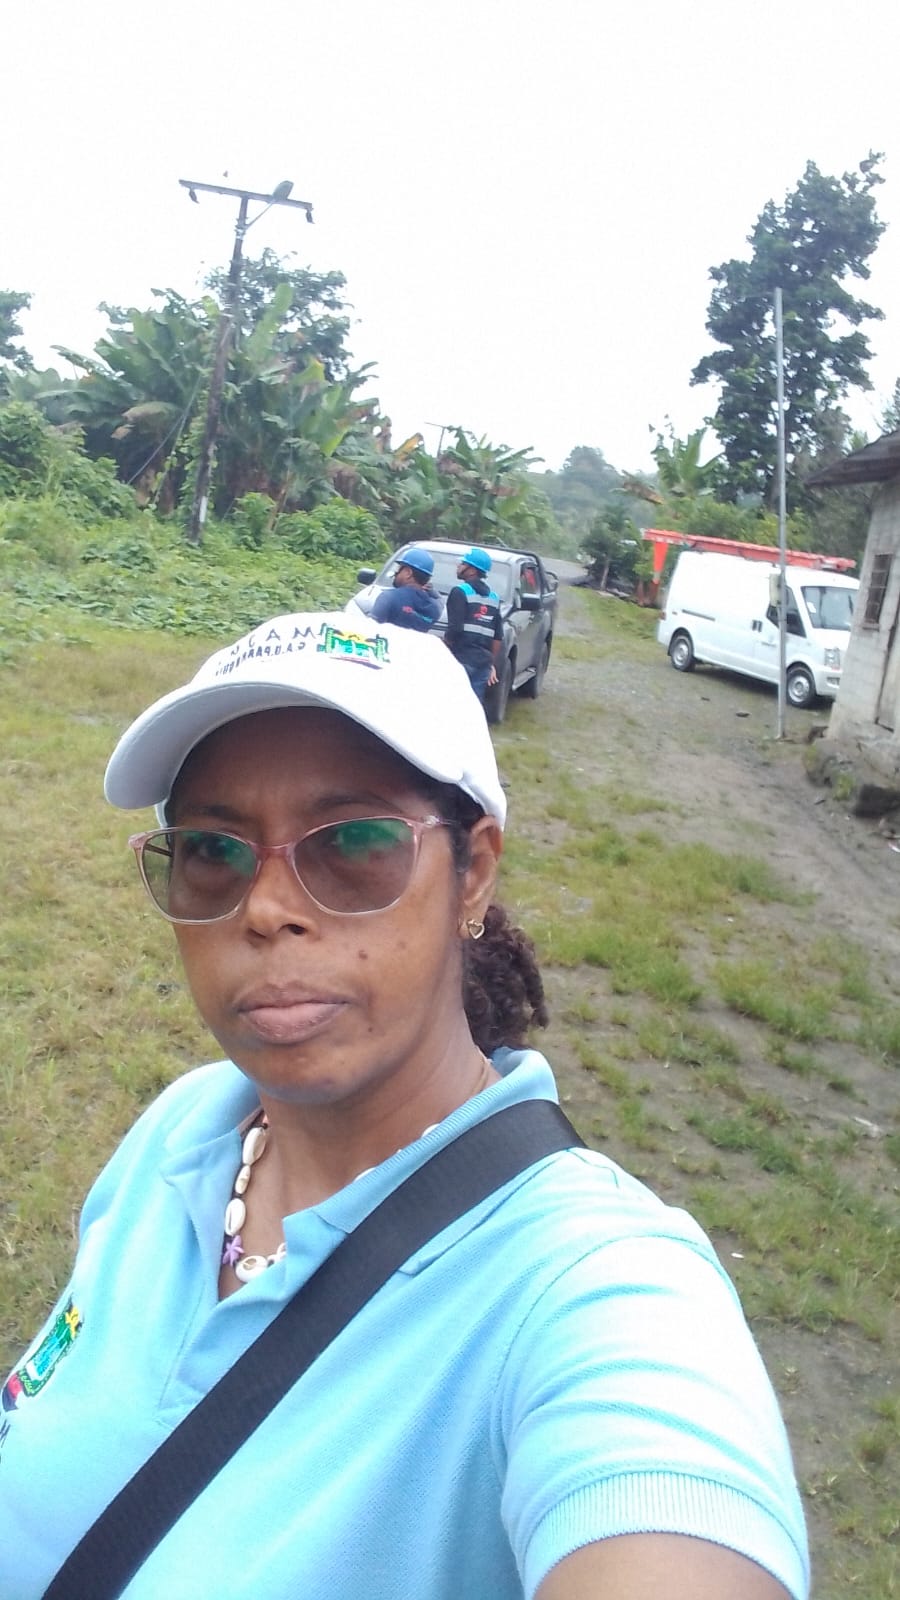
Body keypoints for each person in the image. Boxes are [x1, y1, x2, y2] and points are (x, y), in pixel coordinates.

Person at [1, 612, 809, 1600]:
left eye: (356, 842)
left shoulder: (592, 1290)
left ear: (474, 874)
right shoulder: (183, 1129)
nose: (265, 908)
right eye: (213, 849)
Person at [444, 545, 504, 704]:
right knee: (473, 706)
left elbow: (455, 629)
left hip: (461, 659)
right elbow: (497, 636)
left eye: (463, 563)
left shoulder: (460, 592)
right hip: (482, 663)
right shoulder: (494, 598)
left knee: (452, 703)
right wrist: (491, 663)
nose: (459, 566)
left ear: (472, 570)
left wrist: (444, 648)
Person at [371, 546, 442, 632]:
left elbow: (371, 629)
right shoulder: (434, 609)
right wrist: (431, 591)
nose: (396, 573)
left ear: (408, 573)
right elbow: (439, 601)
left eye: (399, 568)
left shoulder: (388, 597)